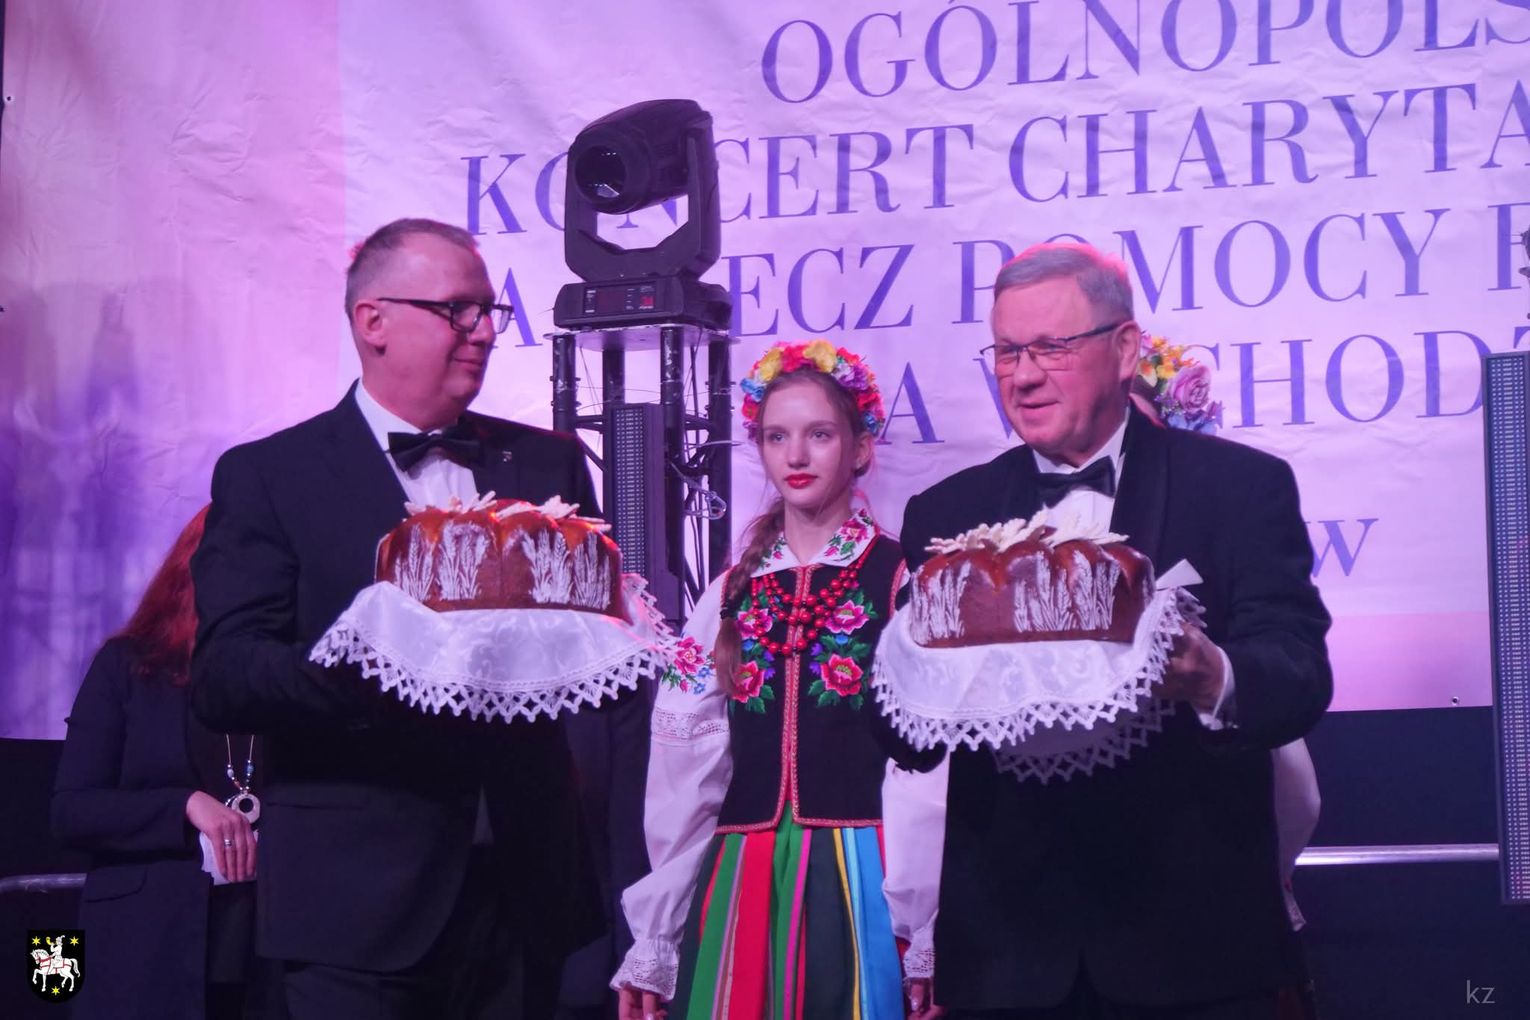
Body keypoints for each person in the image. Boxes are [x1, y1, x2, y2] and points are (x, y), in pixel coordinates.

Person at [190, 217, 628, 1019]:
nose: (484, 331)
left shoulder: (548, 462)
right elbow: (224, 677)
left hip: (527, 892)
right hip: (354, 903)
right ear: (374, 322)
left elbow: (593, 647)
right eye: (458, 310)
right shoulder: (272, 475)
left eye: (490, 311)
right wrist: (375, 666)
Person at [890, 242, 1333, 1019]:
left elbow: (1298, 673)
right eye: (1007, 352)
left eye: (1051, 348)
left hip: (1194, 953)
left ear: (1125, 349)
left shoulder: (1239, 488)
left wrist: (1212, 676)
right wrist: (912, 672)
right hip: (1009, 963)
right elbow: (903, 737)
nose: (1023, 376)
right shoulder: (946, 514)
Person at [612, 340, 911, 1019]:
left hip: (866, 871)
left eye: (819, 435)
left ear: (860, 449)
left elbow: (924, 763)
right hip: (741, 874)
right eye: (778, 437)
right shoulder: (728, 593)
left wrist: (923, 919)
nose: (796, 455)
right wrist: (657, 933)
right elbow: (685, 765)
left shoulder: (899, 579)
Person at [53, 506, 281, 1020]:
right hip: (148, 944)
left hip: (270, 946)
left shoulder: (285, 679)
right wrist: (184, 805)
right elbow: (71, 811)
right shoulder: (128, 666)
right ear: (195, 567)